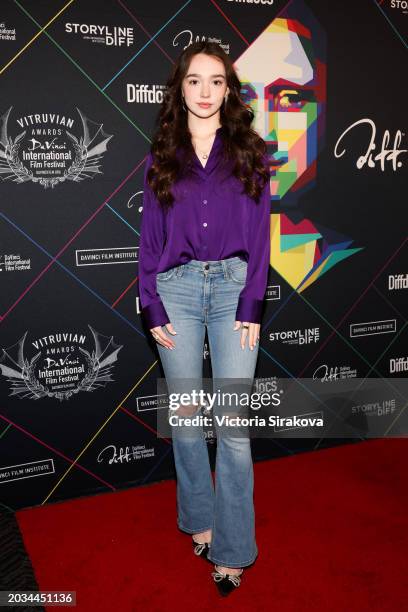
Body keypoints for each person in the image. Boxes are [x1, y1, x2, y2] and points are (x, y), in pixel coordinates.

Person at [138, 41, 271, 596]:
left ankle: (234, 550)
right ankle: (199, 519)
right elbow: (148, 241)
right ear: (181, 88)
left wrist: (252, 304)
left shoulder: (252, 153)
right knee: (189, 423)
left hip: (234, 289)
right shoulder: (161, 156)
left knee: (233, 431)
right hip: (178, 290)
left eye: (216, 81)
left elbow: (262, 236)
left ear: (229, 90)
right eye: (195, 80)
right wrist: (152, 304)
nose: (205, 91)